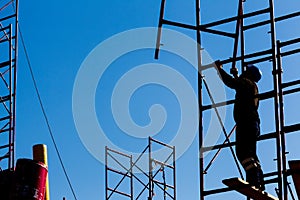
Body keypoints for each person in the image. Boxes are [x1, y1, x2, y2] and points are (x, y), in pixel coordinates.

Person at [215, 61, 265, 190]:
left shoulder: (246, 83)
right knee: (251, 154)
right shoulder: (251, 86)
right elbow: (238, 84)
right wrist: (236, 75)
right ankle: (258, 180)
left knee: (243, 153)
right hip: (252, 123)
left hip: (246, 122)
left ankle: (254, 179)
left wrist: (219, 70)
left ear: (249, 74)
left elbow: (231, 83)